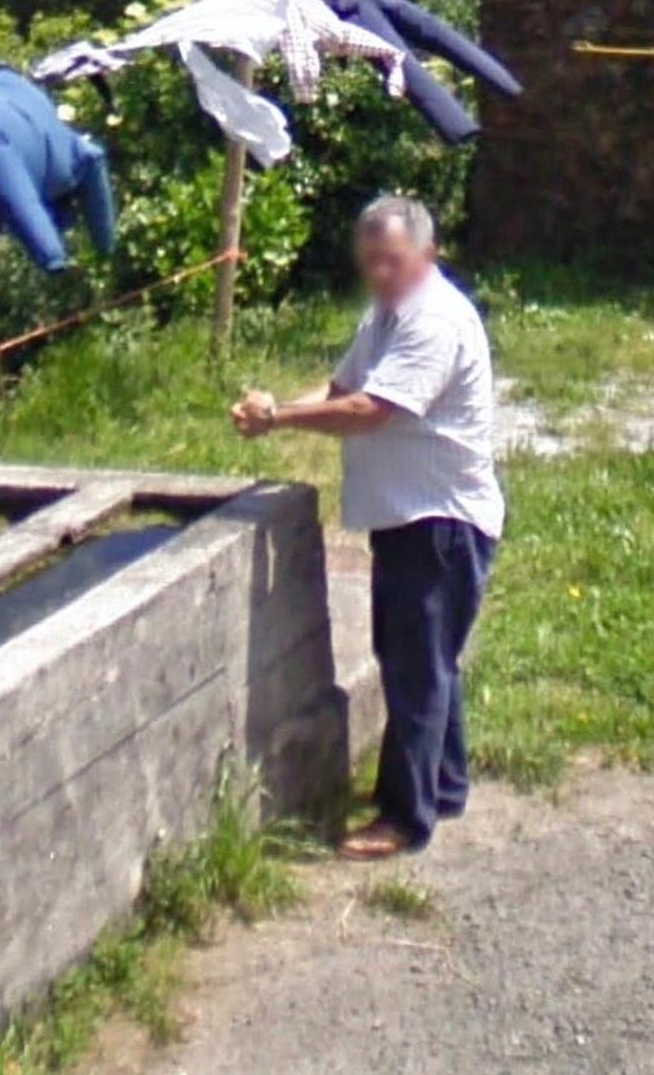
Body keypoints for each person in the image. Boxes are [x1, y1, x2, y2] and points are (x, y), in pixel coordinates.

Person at [231, 196, 503, 859]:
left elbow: (370, 408)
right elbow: (341, 387)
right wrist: (280, 407)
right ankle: (443, 783)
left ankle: (404, 819)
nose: (380, 273)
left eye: (393, 260)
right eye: (372, 262)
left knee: (415, 668)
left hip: (440, 521)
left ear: (428, 255)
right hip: (411, 515)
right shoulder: (387, 314)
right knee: (423, 658)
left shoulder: (433, 321)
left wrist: (281, 420)